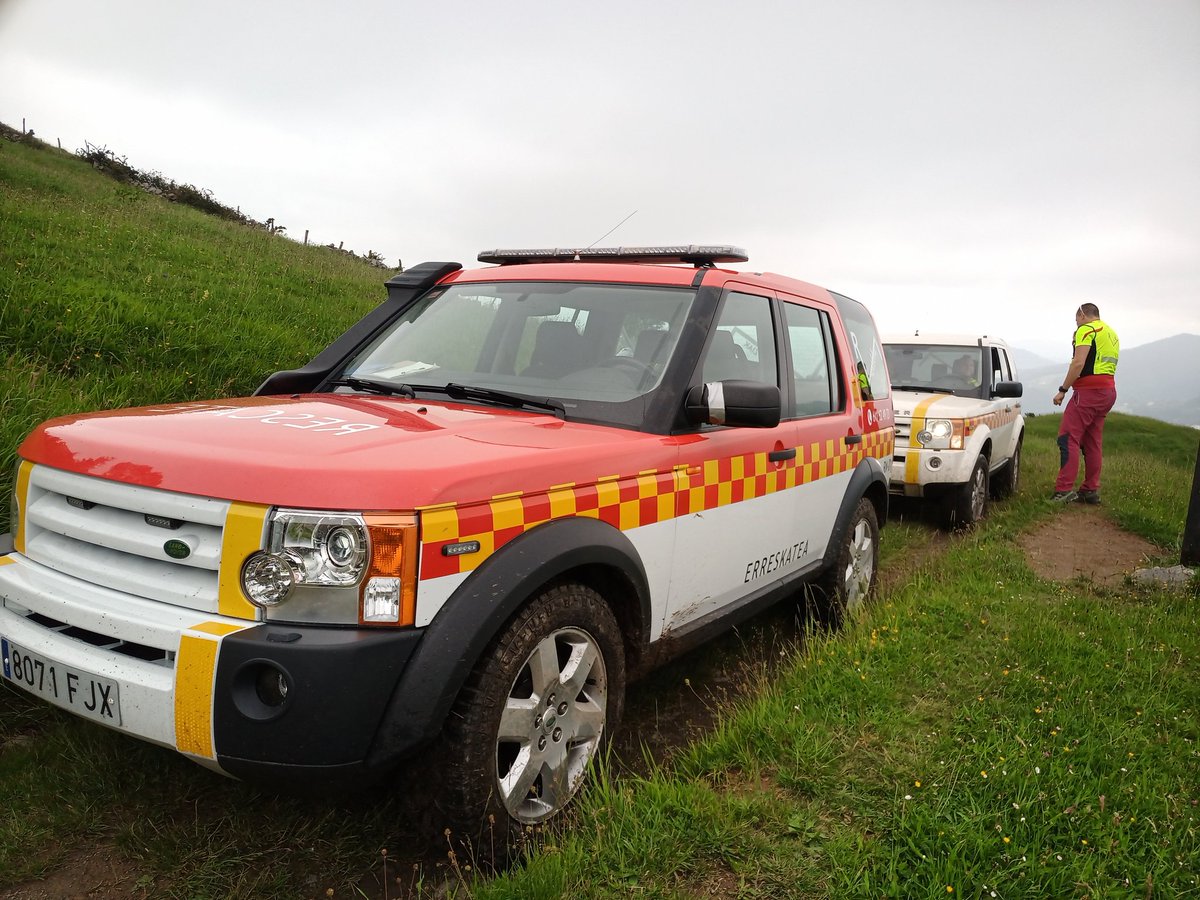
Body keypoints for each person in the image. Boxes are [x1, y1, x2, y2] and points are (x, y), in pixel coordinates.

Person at [1051, 303, 1119, 503]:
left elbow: (1078, 363)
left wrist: (1063, 390)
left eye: (1076, 319)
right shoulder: (1111, 333)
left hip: (1088, 392)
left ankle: (1063, 490)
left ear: (1082, 314)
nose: (1077, 323)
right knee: (1092, 441)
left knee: (1068, 437)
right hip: (1108, 391)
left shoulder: (1086, 330)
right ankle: (1090, 490)